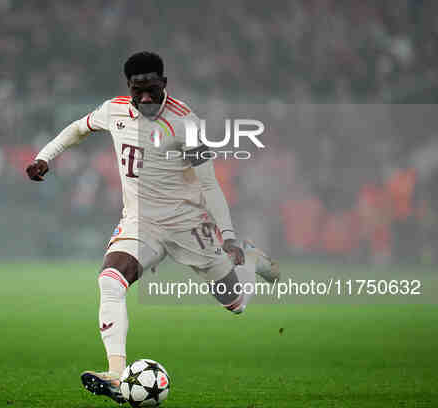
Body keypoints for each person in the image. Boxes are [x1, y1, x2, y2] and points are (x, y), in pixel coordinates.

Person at [26, 51, 279, 404]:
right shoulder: (114, 110)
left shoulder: (184, 123)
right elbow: (78, 129)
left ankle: (249, 259)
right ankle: (116, 373)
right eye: (137, 90)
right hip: (140, 221)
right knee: (110, 280)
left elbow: (210, 186)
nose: (145, 98)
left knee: (235, 304)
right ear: (129, 87)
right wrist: (44, 157)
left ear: (164, 83)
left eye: (152, 89)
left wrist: (230, 236)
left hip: (189, 224)